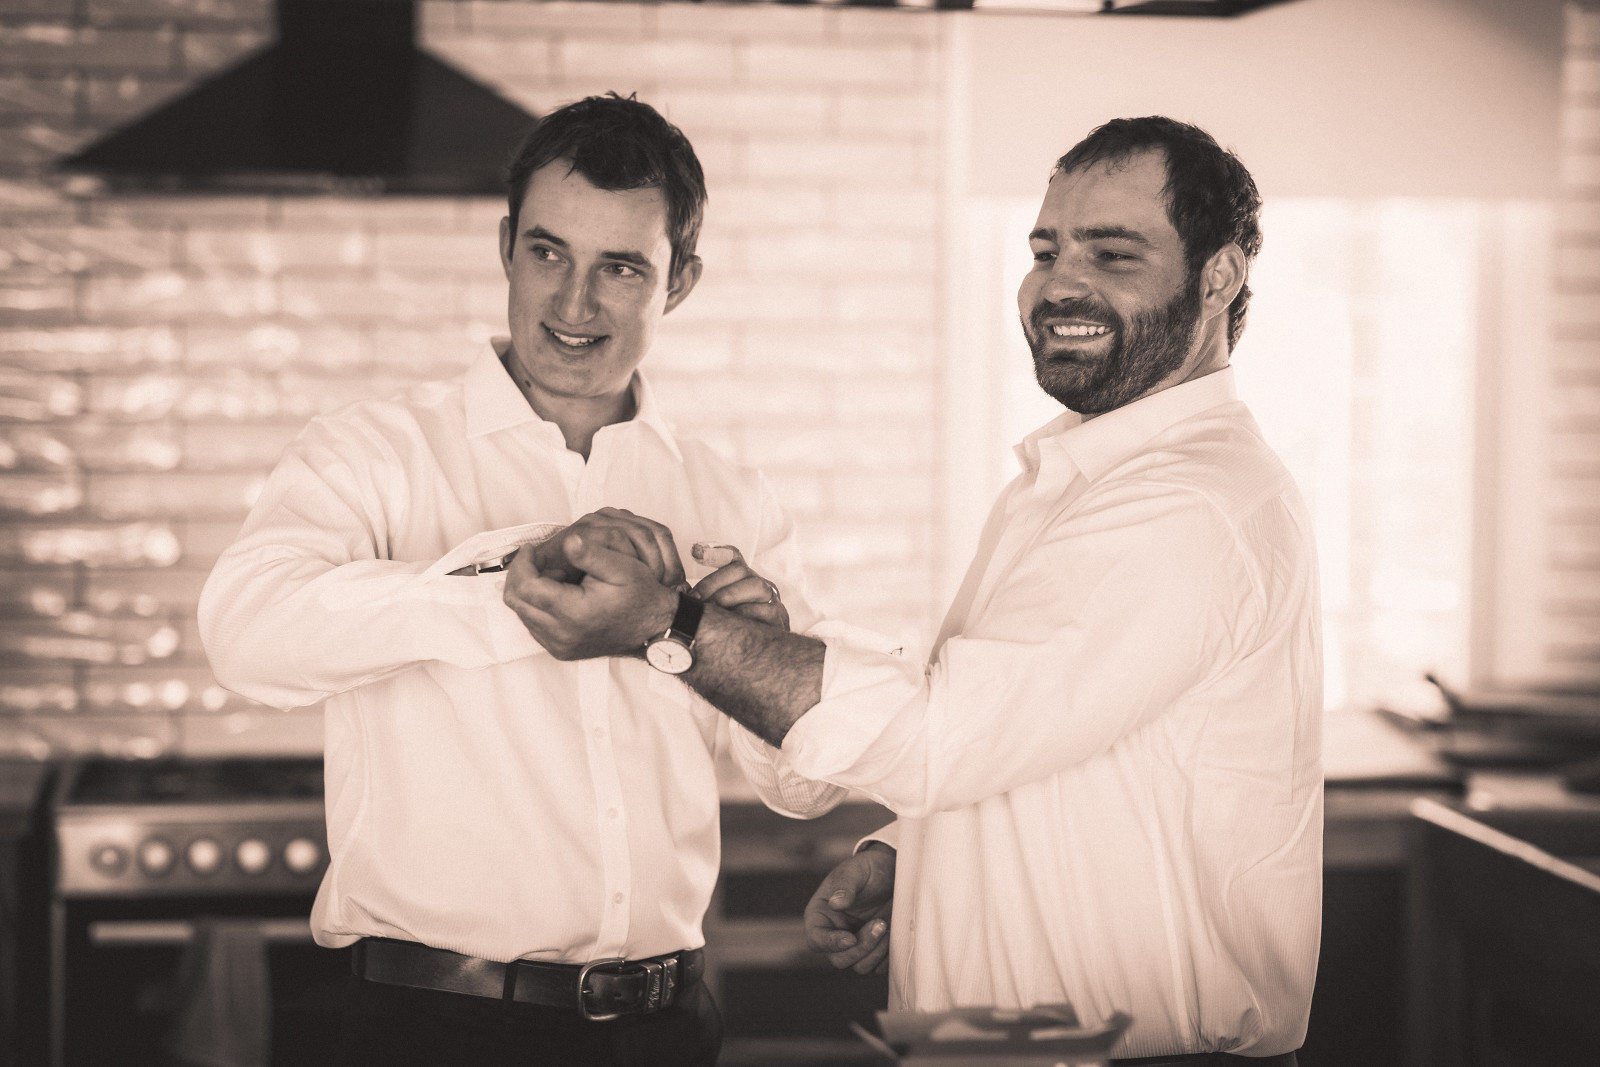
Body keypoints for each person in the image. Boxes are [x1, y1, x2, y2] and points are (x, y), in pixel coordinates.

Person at [506, 116, 1323, 1065]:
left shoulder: (1186, 504)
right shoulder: (1077, 481)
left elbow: (944, 739)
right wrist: (924, 854)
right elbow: (1037, 736)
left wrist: (674, 622)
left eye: (1112, 252)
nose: (1060, 283)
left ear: (1218, 278)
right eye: (1046, 251)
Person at [197, 93, 845, 1067]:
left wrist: (749, 651)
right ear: (506, 246)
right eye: (548, 253)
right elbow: (245, 632)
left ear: (679, 281)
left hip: (666, 1030)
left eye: (620, 267)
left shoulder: (728, 499)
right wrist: (509, 584)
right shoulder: (374, 453)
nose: (574, 304)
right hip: (433, 1030)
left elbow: (808, 787)